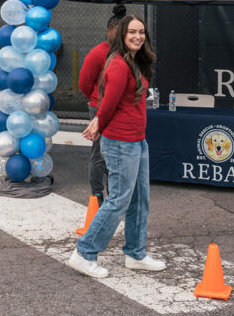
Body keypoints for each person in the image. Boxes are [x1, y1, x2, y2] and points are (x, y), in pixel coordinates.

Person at [69, 14, 166, 278]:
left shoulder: (134, 62)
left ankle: (135, 253)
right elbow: (108, 102)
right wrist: (98, 123)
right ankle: (84, 252)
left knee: (139, 199)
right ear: (122, 35)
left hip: (137, 139)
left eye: (142, 32)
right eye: (132, 32)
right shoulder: (119, 65)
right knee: (119, 200)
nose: (138, 36)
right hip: (121, 142)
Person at [77, 4, 127, 206]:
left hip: (121, 109)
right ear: (108, 32)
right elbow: (84, 83)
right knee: (99, 153)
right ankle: (97, 194)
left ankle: (115, 191)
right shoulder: (98, 53)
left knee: (118, 151)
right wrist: (98, 99)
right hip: (100, 108)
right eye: (117, 33)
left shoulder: (129, 52)